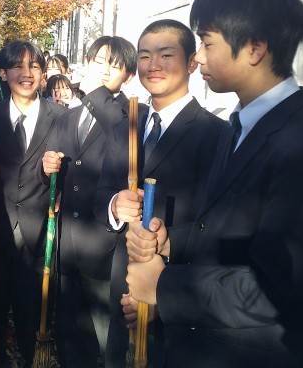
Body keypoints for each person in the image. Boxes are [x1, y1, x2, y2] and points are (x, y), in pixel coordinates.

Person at [126, 0, 303, 368]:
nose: (198, 56)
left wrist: (165, 286)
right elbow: (227, 235)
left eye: (207, 42)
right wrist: (172, 241)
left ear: (254, 48)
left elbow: (278, 289)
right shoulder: (240, 125)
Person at [96, 19, 226, 367]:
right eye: (144, 56)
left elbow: (216, 224)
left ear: (191, 63)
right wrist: (114, 205)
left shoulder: (216, 135)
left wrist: (165, 285)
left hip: (177, 289)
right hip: (123, 282)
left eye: (166, 55)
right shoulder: (124, 127)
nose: (153, 65)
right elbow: (101, 191)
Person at [40, 35, 138, 368]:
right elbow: (55, 173)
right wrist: (46, 169)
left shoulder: (129, 116)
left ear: (129, 75)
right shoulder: (67, 118)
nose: (105, 70)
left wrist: (96, 92)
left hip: (105, 249)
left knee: (108, 342)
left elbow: (118, 131)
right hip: (67, 246)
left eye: (115, 65)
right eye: (99, 62)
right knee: (71, 338)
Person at [0, 40, 66, 367]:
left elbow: (74, 177)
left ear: (43, 74)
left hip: (40, 232)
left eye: (35, 67)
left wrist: (55, 172)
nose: (26, 74)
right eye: (17, 66)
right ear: (2, 73)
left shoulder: (62, 117)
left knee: (34, 316)